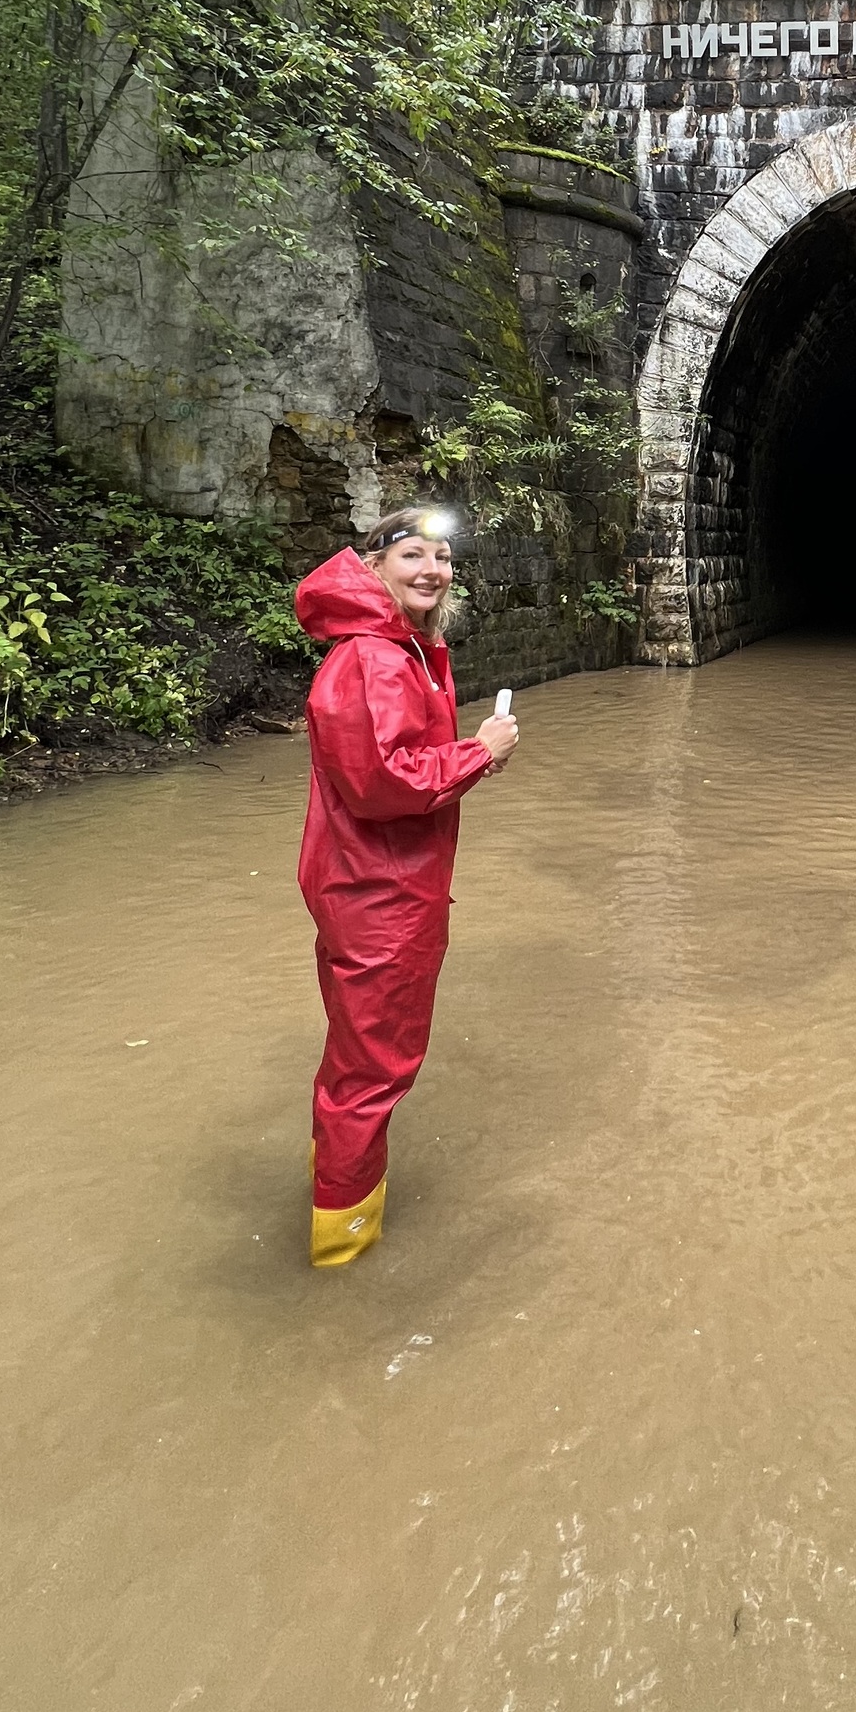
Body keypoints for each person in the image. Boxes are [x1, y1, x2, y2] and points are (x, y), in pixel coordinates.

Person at [292, 507, 518, 1268]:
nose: (432, 569)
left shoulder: (402, 649)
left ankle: (336, 1191)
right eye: (413, 554)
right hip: (379, 896)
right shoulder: (376, 658)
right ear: (375, 566)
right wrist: (479, 753)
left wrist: (463, 756)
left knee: (358, 1060)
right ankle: (341, 1253)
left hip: (376, 886)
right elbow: (384, 779)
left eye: (444, 557)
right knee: (373, 1070)